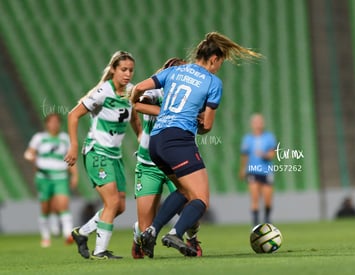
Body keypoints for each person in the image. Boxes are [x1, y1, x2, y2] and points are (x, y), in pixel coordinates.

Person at [131, 31, 262, 257]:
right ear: (213, 59)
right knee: (201, 198)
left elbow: (139, 89)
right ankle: (175, 233)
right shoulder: (213, 82)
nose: (218, 67)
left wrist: (136, 102)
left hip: (156, 142)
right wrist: (197, 121)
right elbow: (207, 127)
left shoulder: (173, 71)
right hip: (178, 141)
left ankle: (151, 230)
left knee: (184, 190)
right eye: (220, 63)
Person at [64, 50, 141, 260]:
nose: (127, 74)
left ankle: (82, 233)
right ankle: (100, 251)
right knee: (112, 202)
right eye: (123, 69)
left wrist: (141, 135)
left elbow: (134, 117)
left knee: (120, 205)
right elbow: (73, 115)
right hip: (97, 151)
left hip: (114, 155)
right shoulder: (103, 91)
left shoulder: (131, 91)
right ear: (113, 70)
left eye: (131, 70)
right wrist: (73, 145)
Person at [131, 57, 203, 259]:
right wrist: (170, 112)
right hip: (149, 164)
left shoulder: (193, 95)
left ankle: (192, 238)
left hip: (178, 161)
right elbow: (137, 105)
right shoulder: (156, 92)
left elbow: (204, 122)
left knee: (194, 205)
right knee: (145, 226)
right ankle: (138, 238)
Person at [24, 113, 78, 247]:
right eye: (51, 122)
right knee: (45, 208)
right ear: (46, 124)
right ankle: (45, 236)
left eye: (56, 122)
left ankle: (68, 235)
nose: (54, 124)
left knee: (63, 204)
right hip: (44, 177)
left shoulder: (65, 138)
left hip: (60, 176)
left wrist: (75, 175)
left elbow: (71, 158)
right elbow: (29, 153)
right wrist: (30, 157)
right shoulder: (39, 138)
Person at [239, 113, 277, 226]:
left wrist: (264, 155)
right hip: (253, 171)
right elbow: (244, 156)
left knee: (267, 200)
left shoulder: (269, 137)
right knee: (254, 197)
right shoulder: (247, 139)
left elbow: (272, 154)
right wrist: (242, 169)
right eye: (256, 122)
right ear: (252, 124)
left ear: (263, 123)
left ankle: (267, 220)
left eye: (260, 122)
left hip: (266, 171)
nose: (258, 124)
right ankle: (255, 224)